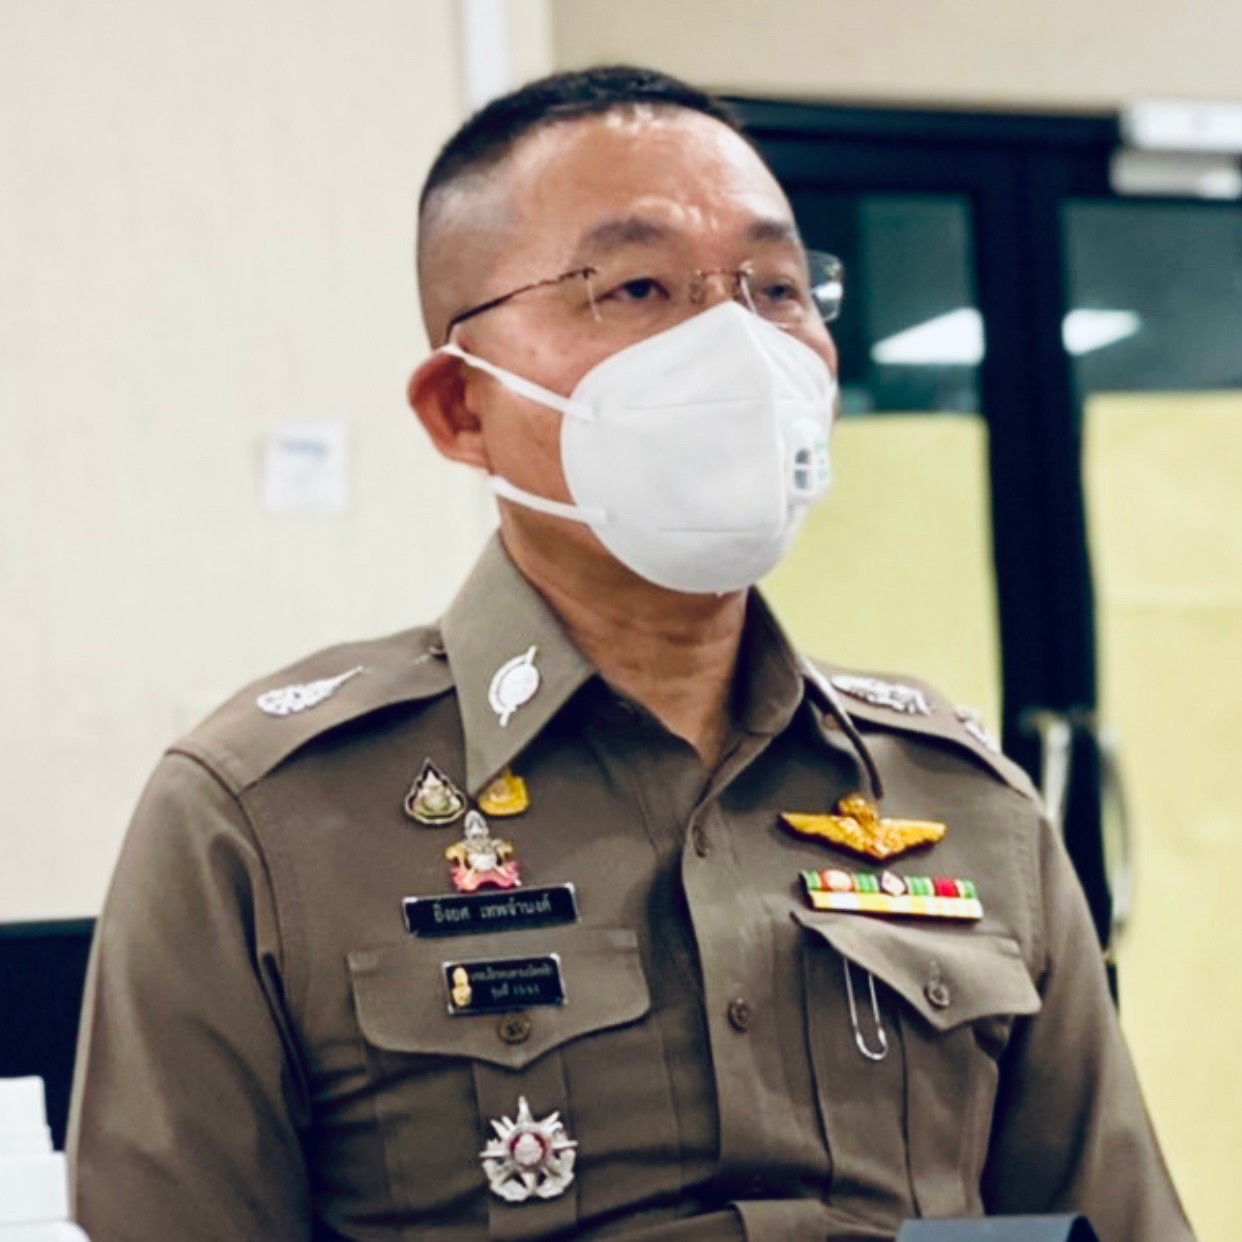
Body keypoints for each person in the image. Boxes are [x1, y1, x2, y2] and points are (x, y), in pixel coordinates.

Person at [67, 65, 1193, 1241]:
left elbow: (1111, 1219)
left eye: (777, 288)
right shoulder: (267, 819)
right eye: (638, 287)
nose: (734, 344)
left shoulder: (961, 798)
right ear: (460, 407)